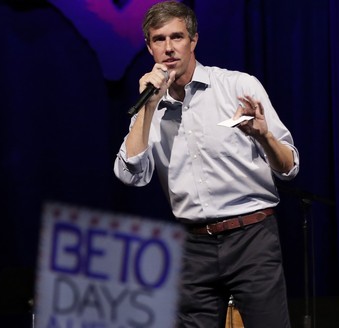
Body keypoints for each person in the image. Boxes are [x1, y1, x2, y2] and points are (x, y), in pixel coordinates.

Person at [113, 1, 299, 327]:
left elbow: (289, 166)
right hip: (193, 244)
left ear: (193, 40)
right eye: (159, 39)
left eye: (177, 37)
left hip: (251, 237)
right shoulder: (151, 105)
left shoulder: (238, 87)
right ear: (149, 47)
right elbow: (130, 174)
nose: (169, 48)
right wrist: (147, 108)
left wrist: (264, 137)